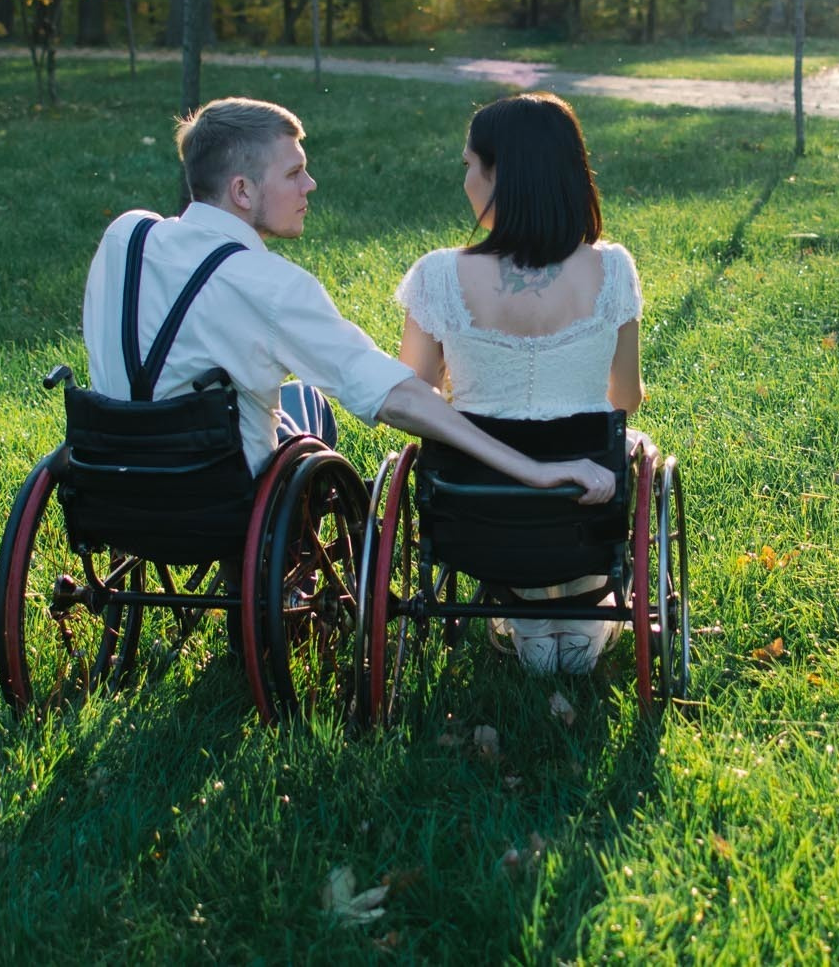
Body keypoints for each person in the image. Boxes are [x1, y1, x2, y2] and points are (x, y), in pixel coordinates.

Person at [82, 97, 617, 533]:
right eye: (294, 173)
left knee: (295, 397)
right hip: (215, 495)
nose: (309, 186)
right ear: (242, 190)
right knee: (313, 414)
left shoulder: (125, 236)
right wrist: (533, 468)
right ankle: (290, 563)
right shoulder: (271, 286)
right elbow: (396, 397)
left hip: (110, 472)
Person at [395, 92, 644, 675]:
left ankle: (528, 613)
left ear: (498, 174)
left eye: (468, 166)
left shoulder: (437, 275)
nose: (465, 181)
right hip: (583, 502)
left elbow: (416, 393)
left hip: (474, 507)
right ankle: (580, 613)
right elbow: (626, 398)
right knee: (622, 447)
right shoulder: (612, 269)